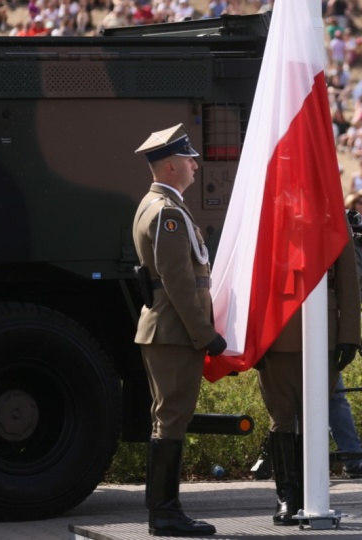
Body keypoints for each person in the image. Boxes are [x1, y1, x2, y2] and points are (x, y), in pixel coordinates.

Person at [132, 124, 225, 537]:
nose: (194, 164)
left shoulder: (163, 205)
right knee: (171, 420)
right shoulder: (168, 212)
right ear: (170, 167)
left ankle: (165, 511)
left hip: (169, 330)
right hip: (173, 331)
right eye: (188, 159)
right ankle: (165, 513)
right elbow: (179, 283)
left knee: (168, 419)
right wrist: (204, 334)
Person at [258, 213, 362, 526]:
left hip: (323, 335)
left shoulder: (330, 213)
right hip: (276, 332)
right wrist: (252, 339)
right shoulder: (264, 212)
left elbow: (347, 279)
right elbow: (252, 278)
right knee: (282, 418)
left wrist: (349, 335)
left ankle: (312, 495)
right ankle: (287, 497)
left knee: (315, 417)